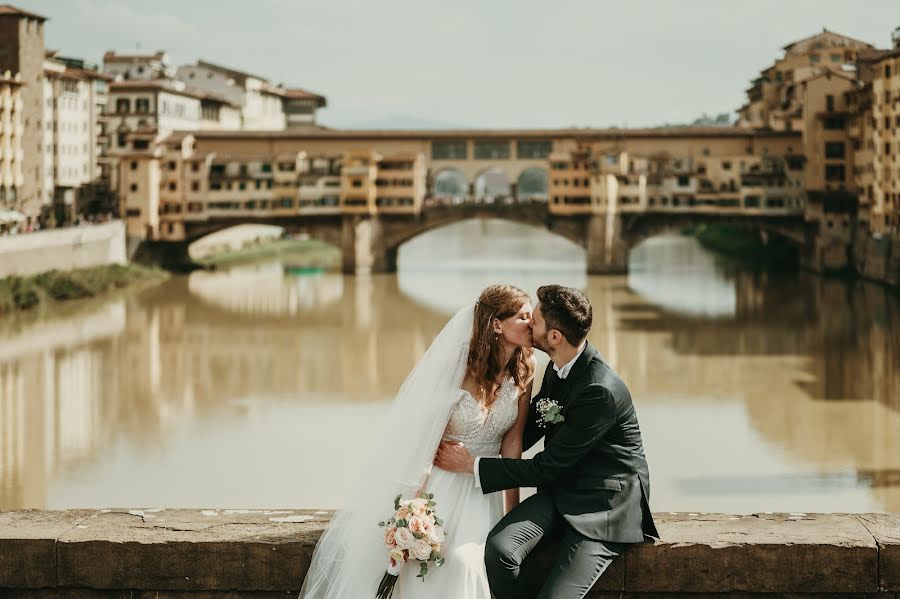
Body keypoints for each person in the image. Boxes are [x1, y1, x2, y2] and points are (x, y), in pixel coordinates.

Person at [300, 284, 537, 599]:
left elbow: (513, 442)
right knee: (443, 563)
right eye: (522, 316)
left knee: (470, 562)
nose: (531, 322)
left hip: (485, 488)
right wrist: (413, 511)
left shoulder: (526, 368)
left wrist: (512, 514)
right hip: (443, 488)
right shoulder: (459, 368)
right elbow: (426, 443)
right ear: (496, 324)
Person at [435, 284, 658, 599]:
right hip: (563, 489)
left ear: (554, 337)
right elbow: (532, 425)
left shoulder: (599, 390)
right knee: (499, 552)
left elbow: (545, 468)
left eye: (534, 320)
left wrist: (473, 465)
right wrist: (479, 435)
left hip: (603, 507)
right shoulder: (558, 366)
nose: (528, 325)